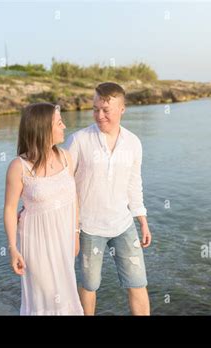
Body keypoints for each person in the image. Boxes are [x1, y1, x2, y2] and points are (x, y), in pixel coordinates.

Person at [65, 82, 152, 315]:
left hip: (124, 225)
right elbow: (64, 184)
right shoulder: (78, 140)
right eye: (95, 109)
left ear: (122, 109)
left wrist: (142, 220)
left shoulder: (133, 143)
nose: (99, 115)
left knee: (138, 282)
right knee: (89, 285)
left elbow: (134, 184)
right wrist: (71, 229)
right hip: (88, 227)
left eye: (106, 110)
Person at [4, 103, 83, 315]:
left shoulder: (65, 156)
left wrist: (76, 234)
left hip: (64, 241)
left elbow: (73, 197)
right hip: (36, 244)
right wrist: (13, 248)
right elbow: (10, 209)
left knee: (66, 296)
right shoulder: (19, 167)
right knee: (48, 299)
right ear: (43, 129)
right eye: (59, 123)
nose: (64, 126)